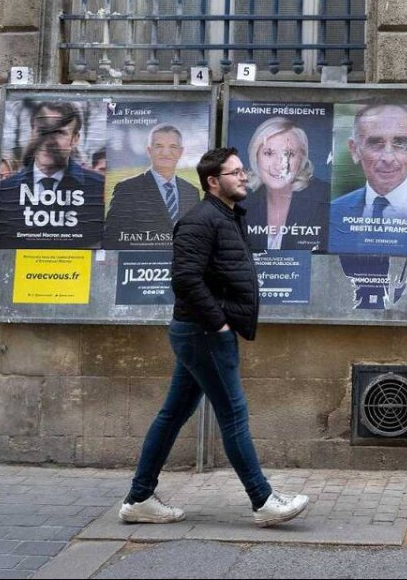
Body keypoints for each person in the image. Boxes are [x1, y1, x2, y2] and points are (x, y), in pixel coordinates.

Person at [119, 147, 309, 528]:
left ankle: (139, 498)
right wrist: (218, 324)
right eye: (234, 172)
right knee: (233, 414)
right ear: (212, 182)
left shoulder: (227, 216)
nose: (243, 177)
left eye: (242, 171)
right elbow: (185, 279)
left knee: (173, 414)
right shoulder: (199, 221)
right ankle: (263, 500)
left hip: (201, 332)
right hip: (203, 333)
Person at [329, 104, 407, 256]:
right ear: (354, 150)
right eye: (376, 144)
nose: (388, 158)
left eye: (399, 144)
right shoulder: (333, 213)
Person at [0, 100, 105, 248]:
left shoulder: (99, 189)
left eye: (59, 132)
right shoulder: (5, 191)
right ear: (32, 133)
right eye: (43, 131)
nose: (48, 142)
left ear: (75, 139)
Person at [103, 124, 201, 249]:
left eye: (173, 146)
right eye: (159, 146)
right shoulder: (127, 189)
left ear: (180, 152)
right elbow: (112, 239)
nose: (166, 152)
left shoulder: (191, 192)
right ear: (149, 151)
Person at [240, 117, 330, 251]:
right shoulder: (240, 202)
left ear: (302, 159)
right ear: (255, 156)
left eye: (288, 154)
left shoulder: (326, 198)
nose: (279, 165)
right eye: (269, 153)